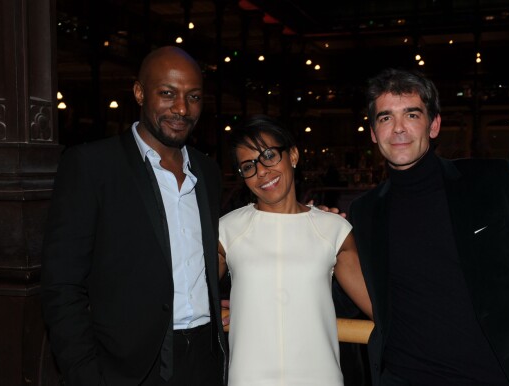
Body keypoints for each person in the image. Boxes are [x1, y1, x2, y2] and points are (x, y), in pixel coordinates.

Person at [349, 67, 509, 386]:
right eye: (385, 118)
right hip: (404, 376)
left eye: (411, 114)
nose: (398, 128)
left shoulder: (490, 181)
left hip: (497, 376)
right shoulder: (365, 211)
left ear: (434, 124)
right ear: (373, 132)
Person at [41, 46, 227, 386]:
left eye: (194, 97)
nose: (182, 109)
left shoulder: (208, 171)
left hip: (204, 363)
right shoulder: (92, 166)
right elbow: (61, 285)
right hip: (125, 369)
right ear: (139, 92)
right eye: (168, 94)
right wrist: (85, 374)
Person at [218, 115, 373, 386]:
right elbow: (186, 298)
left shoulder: (334, 230)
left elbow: (380, 308)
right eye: (248, 166)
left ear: (292, 155)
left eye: (268, 155)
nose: (262, 171)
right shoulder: (227, 230)